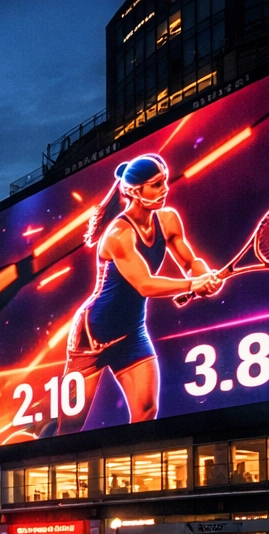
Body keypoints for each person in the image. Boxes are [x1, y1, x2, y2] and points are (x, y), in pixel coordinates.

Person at [59, 154, 219, 434]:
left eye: (164, 182)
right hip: (92, 337)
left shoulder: (168, 220)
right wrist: (192, 285)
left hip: (133, 332)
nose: (165, 189)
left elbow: (190, 262)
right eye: (156, 185)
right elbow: (144, 284)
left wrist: (201, 274)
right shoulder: (118, 235)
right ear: (134, 191)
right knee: (69, 431)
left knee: (147, 411)